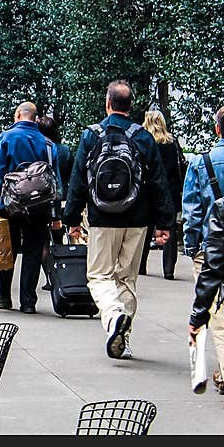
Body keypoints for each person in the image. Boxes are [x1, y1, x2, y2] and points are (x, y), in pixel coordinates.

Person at [63, 80, 175, 360]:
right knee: (127, 278)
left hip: (101, 218)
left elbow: (78, 180)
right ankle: (123, 338)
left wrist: (72, 218)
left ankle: (113, 317)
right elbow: (159, 183)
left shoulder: (92, 135)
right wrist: (164, 223)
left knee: (99, 275)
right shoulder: (143, 137)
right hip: (138, 220)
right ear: (130, 105)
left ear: (108, 102)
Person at [182, 103, 224, 411]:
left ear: (217, 128)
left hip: (214, 244)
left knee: (221, 317)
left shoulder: (200, 162)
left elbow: (192, 209)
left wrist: (191, 245)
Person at [0, 102, 62, 314]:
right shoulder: (47, 144)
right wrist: (56, 213)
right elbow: (55, 182)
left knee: (6, 250)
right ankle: (28, 301)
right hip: (39, 205)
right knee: (33, 252)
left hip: (10, 205)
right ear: (35, 119)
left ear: (18, 114)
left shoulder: (6, 138)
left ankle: (3, 295)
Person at [138, 110, 185, 279]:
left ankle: (141, 265)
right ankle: (169, 270)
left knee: (145, 228)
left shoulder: (144, 142)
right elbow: (179, 168)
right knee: (169, 229)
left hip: (148, 191)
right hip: (169, 192)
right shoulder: (172, 142)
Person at [37, 115, 74, 292]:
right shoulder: (65, 150)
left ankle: (50, 278)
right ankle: (63, 276)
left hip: (45, 198)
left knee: (44, 242)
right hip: (64, 197)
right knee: (59, 240)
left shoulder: (41, 148)